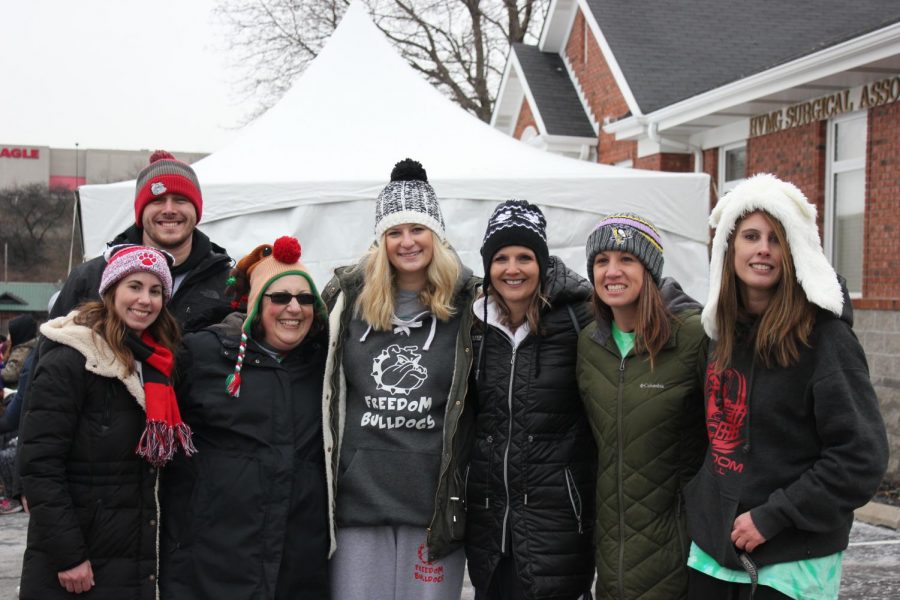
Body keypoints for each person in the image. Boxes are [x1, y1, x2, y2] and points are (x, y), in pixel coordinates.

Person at [685, 174, 889, 600]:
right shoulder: (718, 335)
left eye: (776, 239)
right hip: (713, 553)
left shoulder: (826, 340)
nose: (763, 249)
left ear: (794, 252)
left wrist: (776, 514)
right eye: (751, 236)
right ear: (729, 248)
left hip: (793, 559)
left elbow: (860, 458)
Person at [321, 158, 479, 600]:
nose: (407, 242)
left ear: (437, 235)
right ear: (381, 240)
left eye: (417, 229)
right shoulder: (345, 300)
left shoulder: (471, 304)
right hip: (358, 500)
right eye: (394, 232)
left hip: (433, 505)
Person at [160, 235, 330, 599]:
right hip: (216, 555)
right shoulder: (202, 354)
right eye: (280, 297)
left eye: (305, 299)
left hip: (297, 558)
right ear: (255, 304)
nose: (294, 308)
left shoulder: (324, 364)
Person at [18, 245, 192, 599]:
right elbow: (39, 466)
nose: (145, 300)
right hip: (80, 559)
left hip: (134, 555)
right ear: (111, 290)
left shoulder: (160, 360)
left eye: (155, 290)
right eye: (135, 286)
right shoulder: (71, 358)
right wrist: (68, 556)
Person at [464, 200, 596, 599]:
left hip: (558, 524)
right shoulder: (475, 327)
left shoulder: (580, 318)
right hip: (489, 529)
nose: (513, 268)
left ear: (541, 262)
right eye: (501, 258)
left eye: (524, 256)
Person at [576, 213, 708, 599]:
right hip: (612, 557)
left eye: (626, 260)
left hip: (679, 554)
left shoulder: (695, 335)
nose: (612, 272)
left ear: (649, 269)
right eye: (602, 262)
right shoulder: (589, 344)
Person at [50, 150, 232, 333]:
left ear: (197, 210)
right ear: (141, 211)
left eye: (180, 200)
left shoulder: (230, 285)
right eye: (158, 201)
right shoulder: (90, 278)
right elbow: (51, 352)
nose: (169, 209)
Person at [1, 315, 37, 387]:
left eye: (11, 333)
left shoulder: (22, 351)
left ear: (18, 333)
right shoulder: (33, 346)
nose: (9, 337)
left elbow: (9, 374)